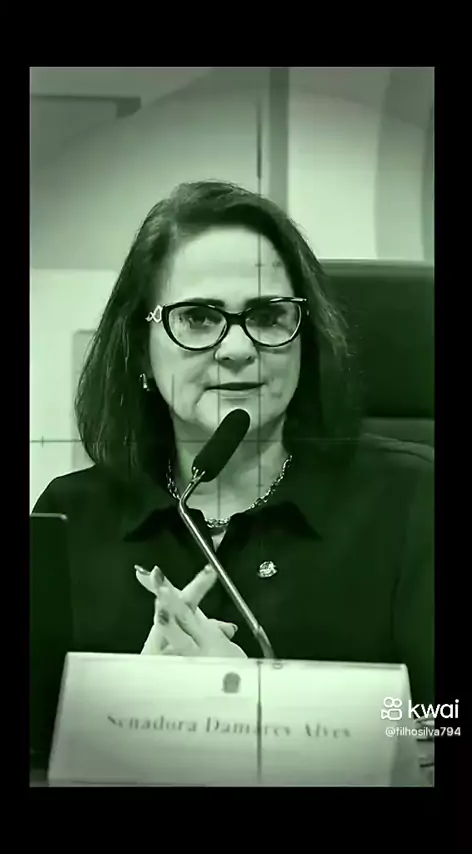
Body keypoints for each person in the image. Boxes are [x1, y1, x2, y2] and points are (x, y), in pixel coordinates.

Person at [32, 180, 433, 709]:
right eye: (199, 318)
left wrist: (259, 709)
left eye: (268, 317)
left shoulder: (413, 500)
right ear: (140, 348)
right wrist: (122, 712)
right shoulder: (71, 517)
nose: (238, 349)